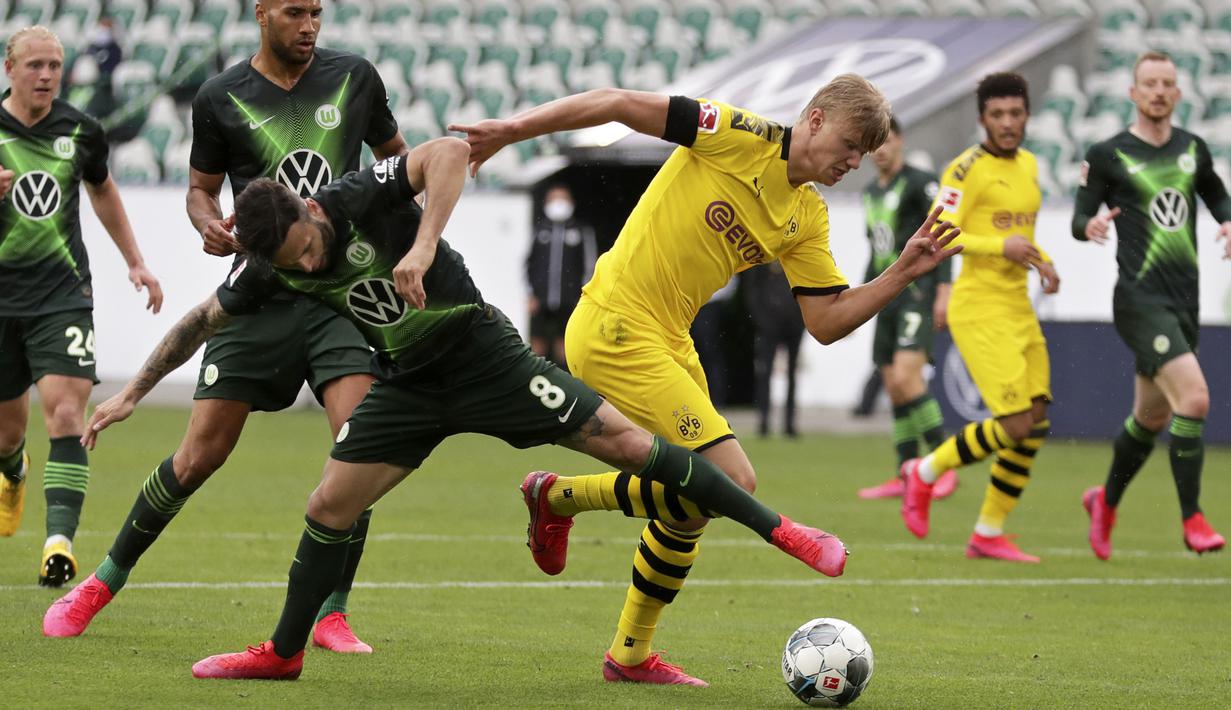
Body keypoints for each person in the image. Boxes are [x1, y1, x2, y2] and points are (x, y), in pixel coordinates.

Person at [77, 142, 853, 680]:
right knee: (327, 504)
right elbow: (194, 325)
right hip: (410, 386)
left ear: (310, 209)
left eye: (309, 248)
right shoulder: (268, 271)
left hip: (485, 357)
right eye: (293, 264)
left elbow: (448, 151)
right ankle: (282, 652)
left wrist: (421, 244)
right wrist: (131, 394)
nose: (308, 265)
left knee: (621, 440)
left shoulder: (353, 196)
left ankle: (778, 528)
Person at [451, 75, 961, 685]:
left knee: (692, 507)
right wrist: (512, 130)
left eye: (864, 153)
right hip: (616, 322)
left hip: (669, 339)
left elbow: (825, 321)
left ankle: (627, 648)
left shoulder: (806, 215)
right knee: (731, 478)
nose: (853, 162)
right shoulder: (737, 135)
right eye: (850, 145)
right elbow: (617, 102)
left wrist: (902, 272)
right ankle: (560, 499)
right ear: (816, 119)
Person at [42, 0, 408, 653]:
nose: (310, 25)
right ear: (262, 13)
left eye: (317, 13)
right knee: (199, 455)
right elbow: (199, 189)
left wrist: (396, 245)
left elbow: (398, 163)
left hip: (339, 294)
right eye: (296, 12)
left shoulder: (356, 77)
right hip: (260, 291)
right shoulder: (219, 95)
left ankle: (332, 612)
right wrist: (205, 220)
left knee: (358, 447)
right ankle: (101, 580)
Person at [0, 26, 163, 585]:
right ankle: (12, 471)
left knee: (66, 414)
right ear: (9, 69)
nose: (46, 75)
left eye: (54, 65)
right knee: (6, 434)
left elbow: (103, 191)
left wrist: (135, 261)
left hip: (61, 294)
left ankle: (58, 544)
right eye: (35, 66)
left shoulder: (80, 129)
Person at [898, 73, 1061, 564]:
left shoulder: (1031, 164)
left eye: (1015, 114)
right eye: (997, 115)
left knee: (1035, 421)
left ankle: (988, 531)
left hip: (1018, 306)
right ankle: (925, 472)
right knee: (1012, 423)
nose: (1008, 123)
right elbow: (938, 232)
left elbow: (1019, 231)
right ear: (982, 119)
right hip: (979, 307)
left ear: (1027, 115)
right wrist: (1000, 247)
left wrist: (1043, 260)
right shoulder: (964, 169)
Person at [1073, 51, 1229, 559]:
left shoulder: (1193, 149)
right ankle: (1193, 519)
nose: (1159, 91)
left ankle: (1105, 502)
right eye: (1150, 83)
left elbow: (1218, 198)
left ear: (1178, 94)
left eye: (1168, 83)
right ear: (1133, 94)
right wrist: (1090, 225)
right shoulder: (1108, 153)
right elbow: (1080, 217)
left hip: (1185, 301)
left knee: (1151, 418)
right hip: (1139, 300)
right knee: (1196, 400)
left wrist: (1228, 221)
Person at [856, 117, 958, 500]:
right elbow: (877, 252)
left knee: (905, 377)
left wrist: (944, 290)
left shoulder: (920, 183)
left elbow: (941, 234)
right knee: (893, 386)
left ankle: (940, 465)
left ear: (900, 140)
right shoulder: (870, 192)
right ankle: (904, 476)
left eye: (886, 140)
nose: (880, 149)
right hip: (885, 297)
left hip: (917, 291)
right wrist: (857, 300)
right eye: (873, 143)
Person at [526, 183, 597, 366]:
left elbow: (590, 266)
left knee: (565, 345)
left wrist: (583, 297)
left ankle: (566, 385)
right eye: (553, 199)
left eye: (562, 198)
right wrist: (530, 294)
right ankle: (534, 384)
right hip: (541, 299)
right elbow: (529, 264)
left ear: (571, 202)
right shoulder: (540, 230)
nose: (558, 203)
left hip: (569, 299)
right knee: (536, 346)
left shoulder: (581, 231)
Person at [742, 262, 804, 437]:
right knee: (764, 372)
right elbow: (752, 290)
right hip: (768, 326)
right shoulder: (762, 253)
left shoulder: (796, 250)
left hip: (794, 324)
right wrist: (761, 320)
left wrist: (803, 319)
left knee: (792, 374)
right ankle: (763, 421)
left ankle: (790, 423)